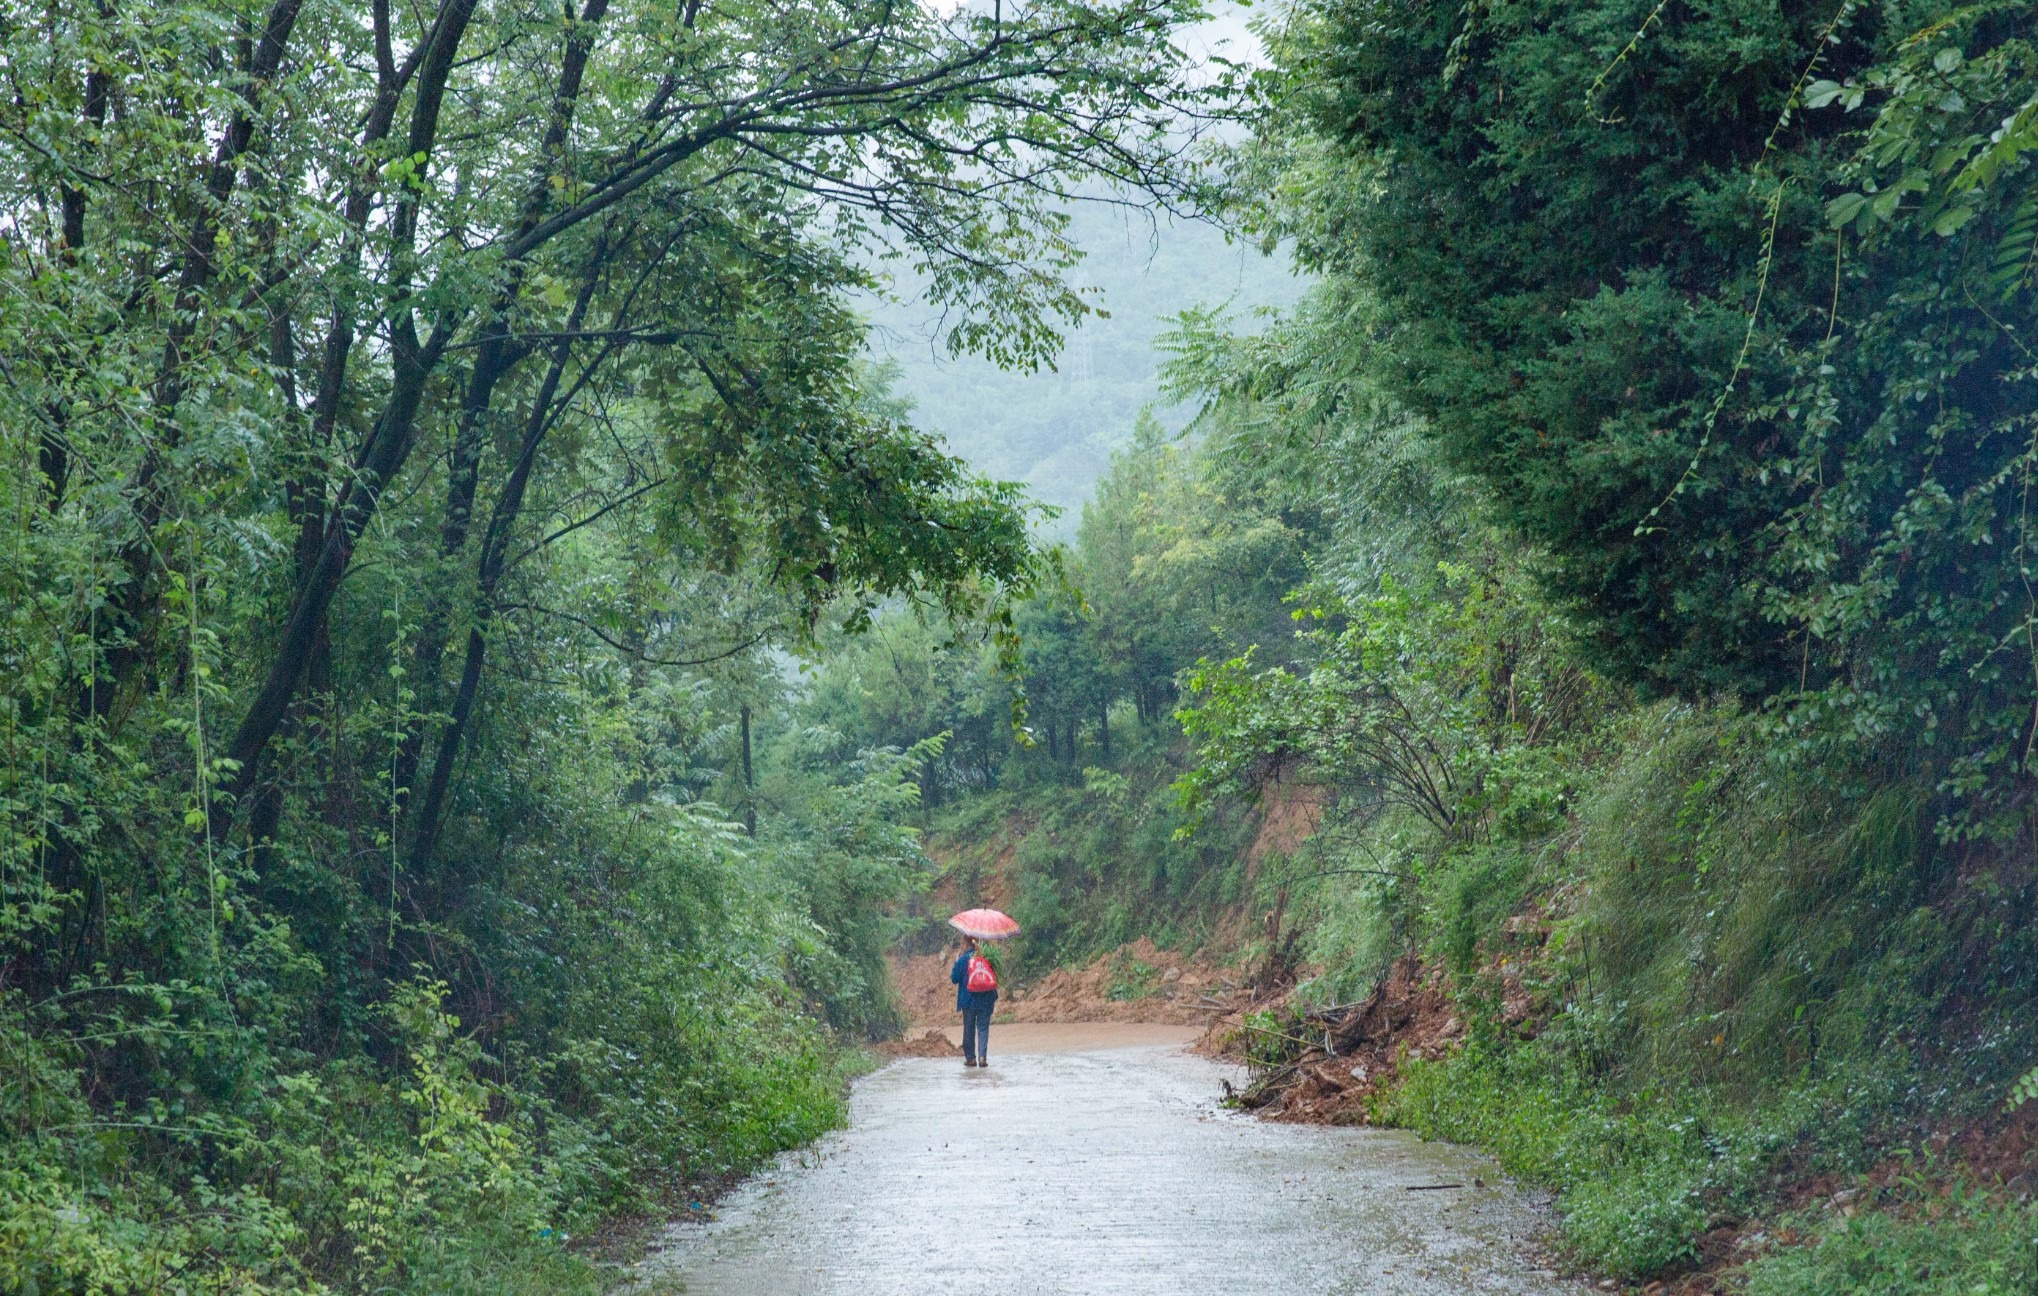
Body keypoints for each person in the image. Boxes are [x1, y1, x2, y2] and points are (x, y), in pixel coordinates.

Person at [950, 936, 999, 1067]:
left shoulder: (963, 959)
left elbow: (954, 978)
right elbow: (995, 978)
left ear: (965, 943)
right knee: (983, 1028)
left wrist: (956, 962)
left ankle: (971, 1058)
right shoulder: (988, 957)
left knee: (969, 1029)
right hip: (986, 999)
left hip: (968, 1000)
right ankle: (982, 1057)